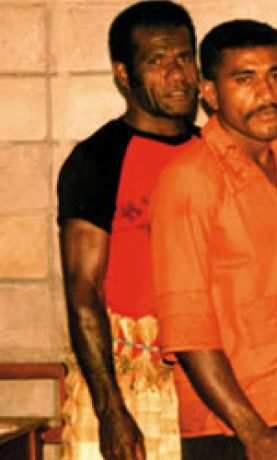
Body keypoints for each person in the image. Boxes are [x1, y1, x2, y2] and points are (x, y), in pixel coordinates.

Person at [150, 20, 277, 460]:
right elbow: (187, 327)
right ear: (210, 93)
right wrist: (254, 433)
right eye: (244, 79)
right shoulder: (189, 179)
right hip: (232, 429)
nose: (267, 92)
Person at [56, 2, 198, 458]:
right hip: (128, 383)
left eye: (184, 57)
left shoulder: (213, 152)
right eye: (157, 61)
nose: (177, 75)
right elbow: (83, 292)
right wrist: (110, 410)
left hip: (205, 384)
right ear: (123, 74)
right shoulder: (97, 160)